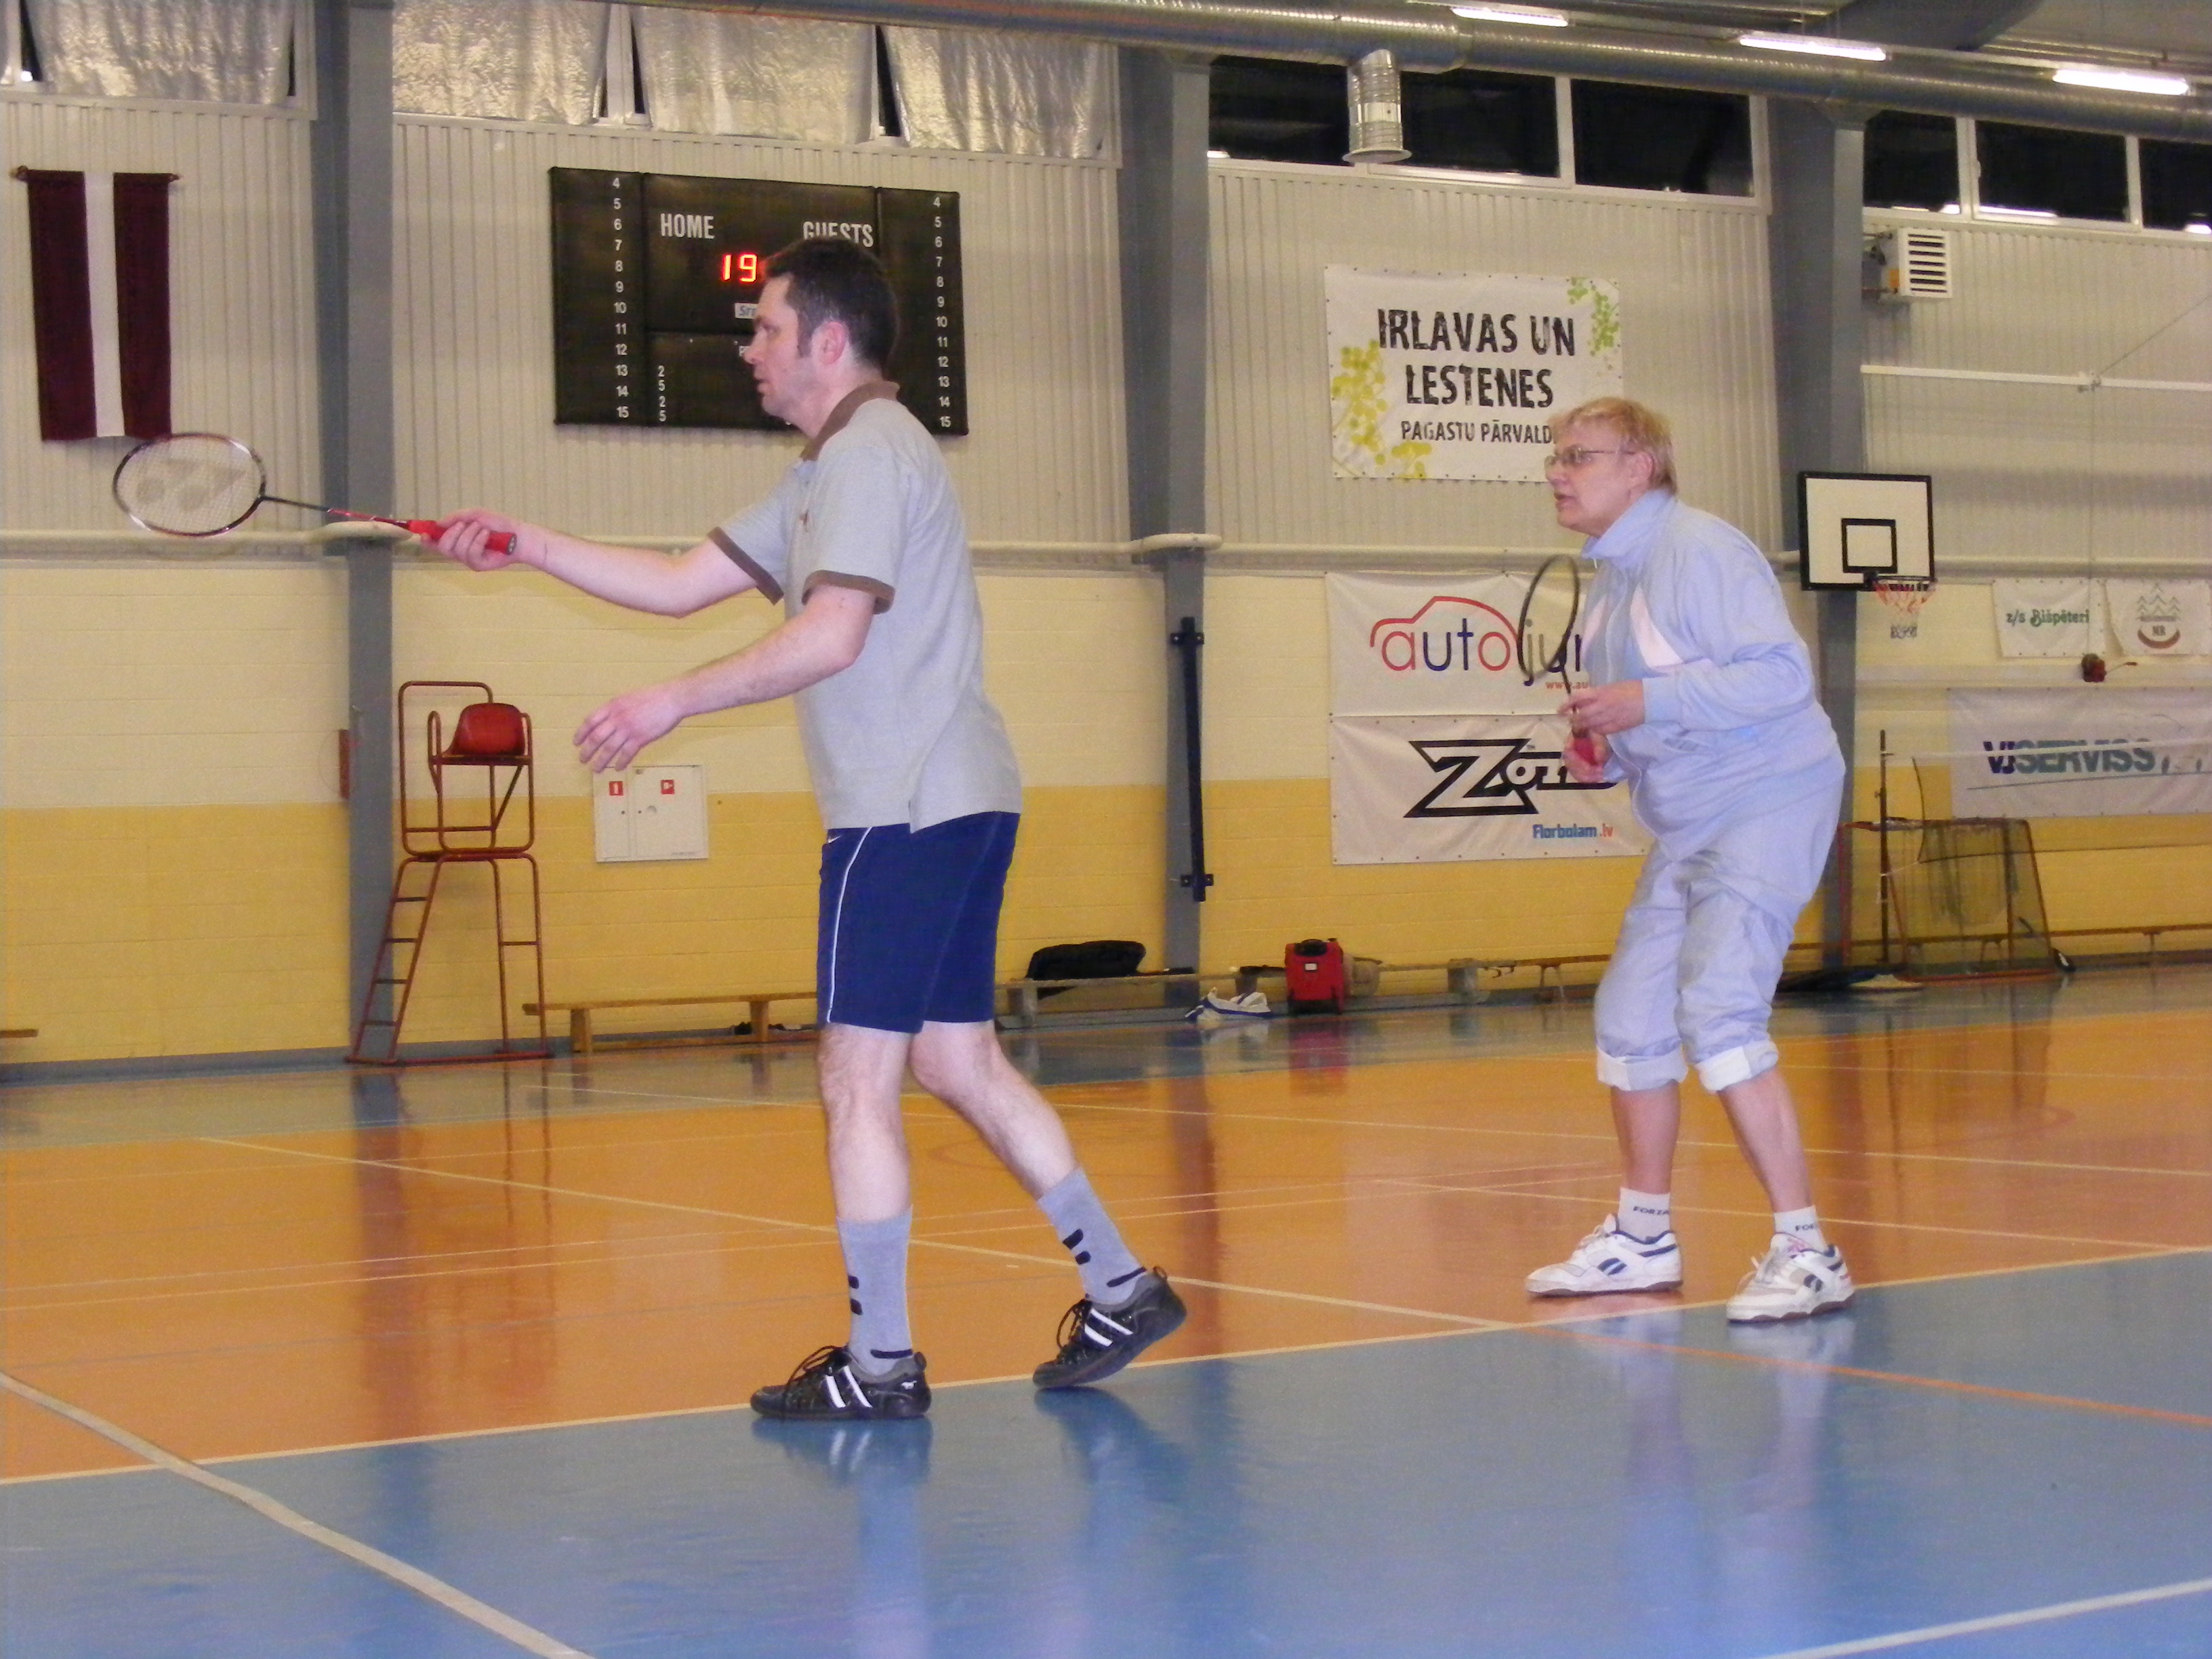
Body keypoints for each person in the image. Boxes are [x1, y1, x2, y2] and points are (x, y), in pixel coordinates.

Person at [434, 237, 1185, 1416]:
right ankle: (1125, 1286)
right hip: (956, 798)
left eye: (766, 329)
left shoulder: (873, 457)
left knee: (855, 1077)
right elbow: (682, 582)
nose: (750, 351)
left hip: (903, 807)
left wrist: (671, 699)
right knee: (954, 1057)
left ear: (828, 342)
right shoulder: (821, 473)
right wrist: (520, 542)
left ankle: (882, 1362)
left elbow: (833, 636)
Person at [1523, 397, 1853, 1324]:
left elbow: (1782, 676)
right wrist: (1608, 747)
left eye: (1579, 456)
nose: (1558, 472)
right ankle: (1643, 1235)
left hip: (1769, 798)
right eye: (1556, 457)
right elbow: (1650, 717)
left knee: (1718, 1008)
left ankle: (1808, 1251)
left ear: (1641, 466)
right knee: (1630, 1017)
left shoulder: (1701, 550)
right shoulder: (1610, 589)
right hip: (1689, 820)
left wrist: (1646, 703)